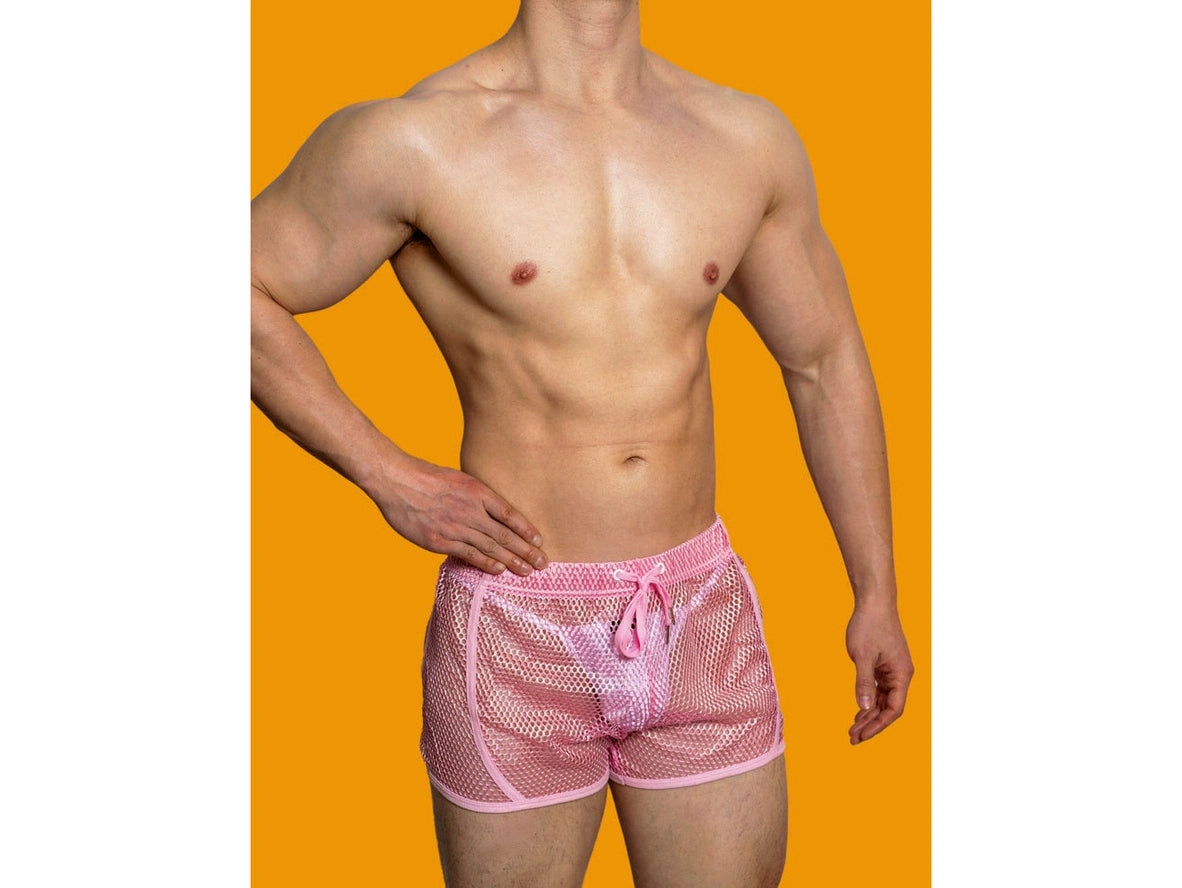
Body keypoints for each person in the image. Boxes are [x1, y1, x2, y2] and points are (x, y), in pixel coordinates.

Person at [251, 1, 914, 885]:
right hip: (521, 619)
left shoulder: (741, 137)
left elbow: (823, 360)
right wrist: (389, 475)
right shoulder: (415, 140)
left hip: (698, 611)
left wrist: (876, 589)